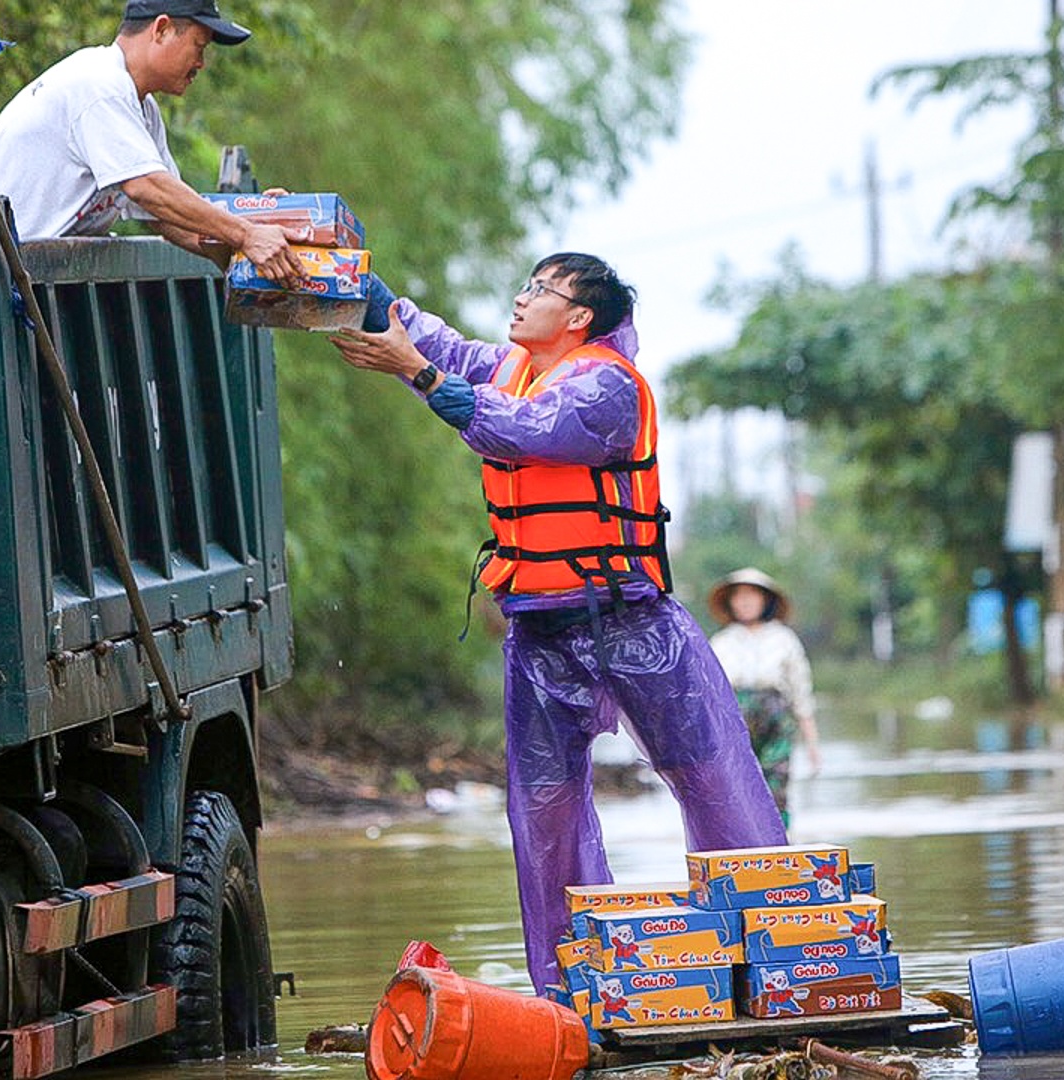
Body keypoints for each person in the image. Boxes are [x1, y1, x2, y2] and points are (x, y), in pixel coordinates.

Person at [329, 254, 788, 994]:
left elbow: (519, 431)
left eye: (541, 290)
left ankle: (780, 955)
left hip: (631, 623)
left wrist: (416, 374)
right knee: (543, 817)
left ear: (579, 317)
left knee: (714, 785)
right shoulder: (512, 366)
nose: (521, 297)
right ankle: (571, 988)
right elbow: (426, 338)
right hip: (541, 628)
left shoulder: (606, 386)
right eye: (527, 284)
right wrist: (340, 265)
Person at [0, 0, 301, 285]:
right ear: (161, 29)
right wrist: (245, 234)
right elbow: (147, 189)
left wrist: (258, 219)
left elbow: (171, 218)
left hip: (23, 271)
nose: (201, 63)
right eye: (199, 46)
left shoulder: (141, 109)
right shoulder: (99, 84)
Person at [707, 568, 821, 821]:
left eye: (752, 595)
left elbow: (801, 692)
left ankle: (780, 840)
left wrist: (812, 743)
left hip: (776, 720)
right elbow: (709, 694)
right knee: (737, 784)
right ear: (730, 603)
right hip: (734, 720)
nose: (745, 601)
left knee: (776, 781)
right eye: (739, 596)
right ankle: (744, 846)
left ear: (765, 600)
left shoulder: (784, 639)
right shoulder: (721, 642)